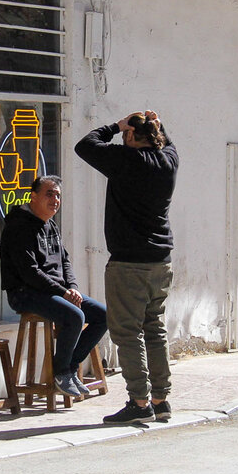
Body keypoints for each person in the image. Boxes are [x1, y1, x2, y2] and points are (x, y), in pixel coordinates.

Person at [74, 110, 179, 424]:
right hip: (161, 262)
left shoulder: (126, 160)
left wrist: (116, 125)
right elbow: (166, 141)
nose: (122, 137)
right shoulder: (169, 160)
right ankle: (161, 399)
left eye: (125, 135)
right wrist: (158, 125)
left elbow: (85, 145)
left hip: (128, 262)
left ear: (132, 137)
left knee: (127, 333)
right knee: (154, 329)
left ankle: (139, 400)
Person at [0, 174, 108, 400]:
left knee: (104, 316)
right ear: (34, 196)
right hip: (25, 293)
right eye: (49, 194)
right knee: (75, 316)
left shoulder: (51, 225)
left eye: (58, 196)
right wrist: (63, 292)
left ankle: (69, 368)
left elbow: (64, 261)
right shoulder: (19, 226)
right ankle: (60, 373)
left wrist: (73, 287)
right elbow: (30, 273)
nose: (55, 200)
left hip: (55, 291)